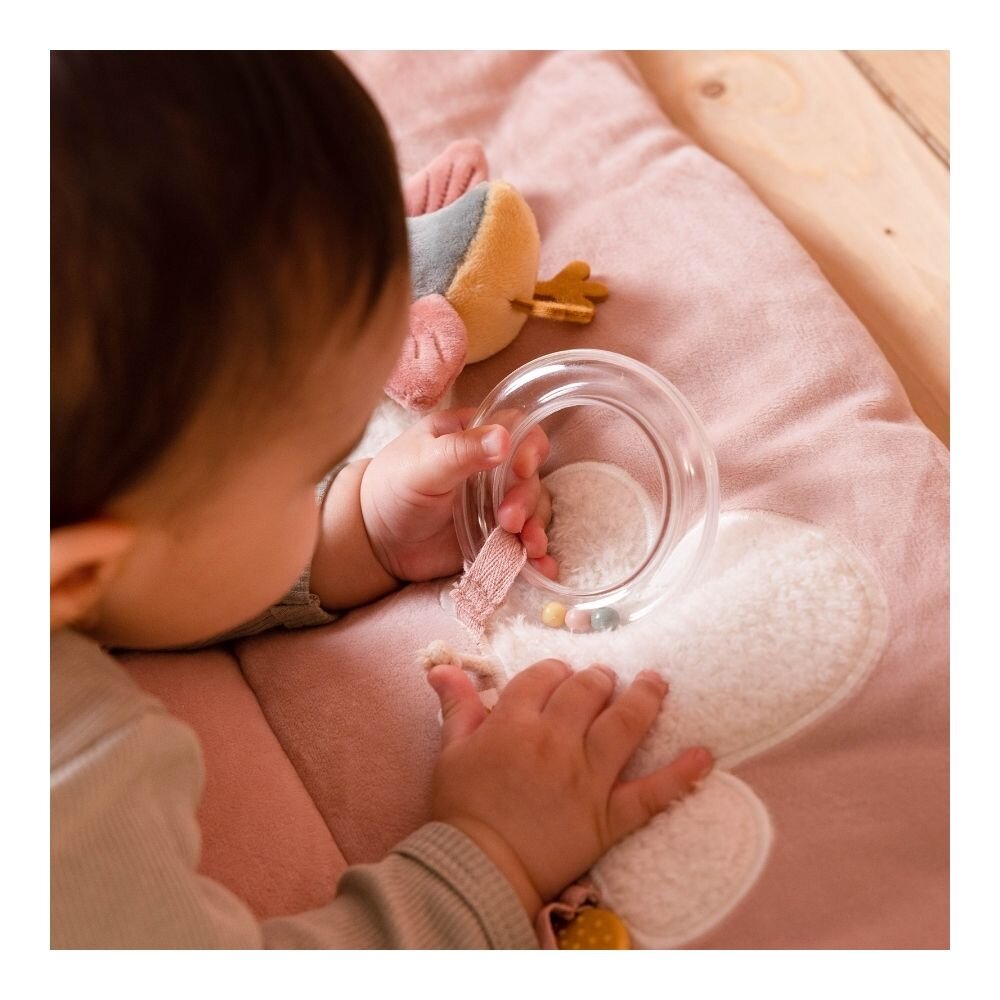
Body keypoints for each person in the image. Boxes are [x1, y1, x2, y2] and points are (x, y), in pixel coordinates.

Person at [50, 50, 714, 948]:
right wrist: (494, 856)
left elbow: (121, 579)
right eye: (305, 471)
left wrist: (351, 533)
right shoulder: (67, 780)